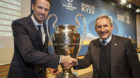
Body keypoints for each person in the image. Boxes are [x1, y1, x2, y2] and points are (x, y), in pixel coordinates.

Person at [7, 0, 77, 78]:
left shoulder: (46, 27)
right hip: (22, 74)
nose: (43, 12)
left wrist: (50, 66)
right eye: (40, 7)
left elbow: (43, 51)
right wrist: (61, 59)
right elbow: (28, 54)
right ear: (33, 6)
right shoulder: (20, 24)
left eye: (46, 9)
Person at [73, 15, 140, 78]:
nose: (102, 30)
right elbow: (86, 61)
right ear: (96, 29)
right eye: (99, 27)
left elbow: (135, 68)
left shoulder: (125, 43)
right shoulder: (93, 44)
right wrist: (72, 61)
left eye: (105, 26)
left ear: (111, 27)